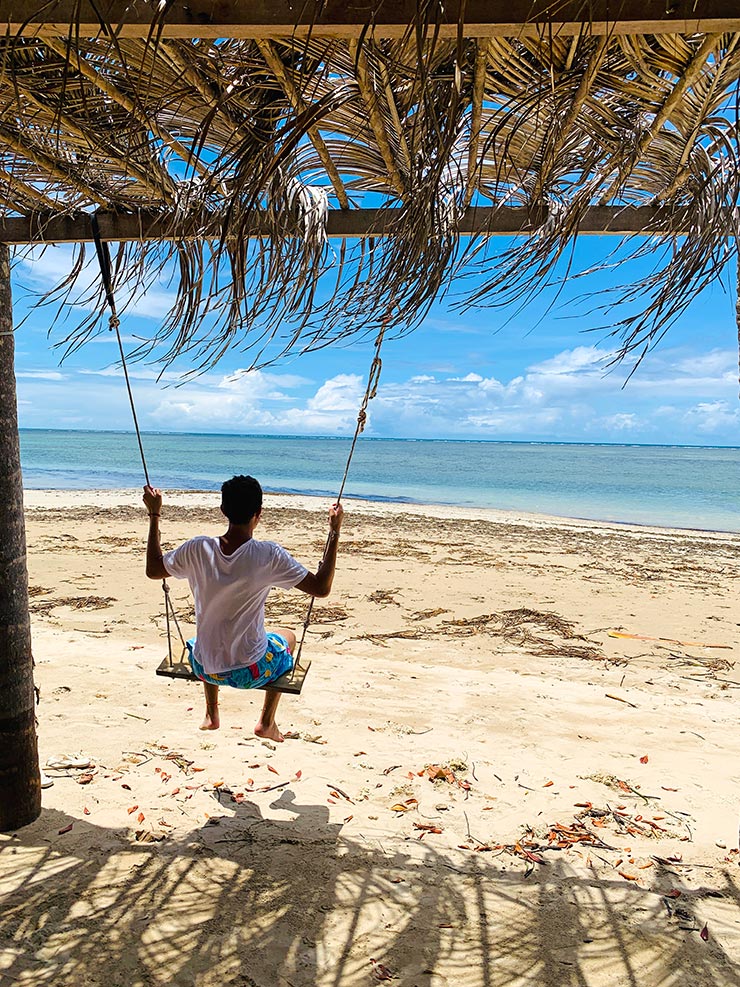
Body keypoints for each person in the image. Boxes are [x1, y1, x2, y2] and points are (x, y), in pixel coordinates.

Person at [143, 475, 343, 742]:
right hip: (250, 672)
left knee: (199, 641)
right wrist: (334, 531)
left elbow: (154, 569)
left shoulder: (198, 548)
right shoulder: (268, 555)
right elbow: (321, 588)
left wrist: (154, 514)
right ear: (259, 514)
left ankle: (211, 713)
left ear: (223, 510)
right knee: (288, 638)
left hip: (203, 667)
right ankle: (267, 722)